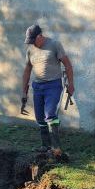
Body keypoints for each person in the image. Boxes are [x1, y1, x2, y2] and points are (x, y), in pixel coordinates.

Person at [21, 24, 75, 158]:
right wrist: (24, 90)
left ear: (40, 36)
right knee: (40, 117)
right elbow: (27, 70)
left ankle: (56, 148)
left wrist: (71, 84)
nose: (32, 44)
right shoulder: (30, 50)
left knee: (50, 114)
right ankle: (45, 146)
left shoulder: (54, 45)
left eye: (33, 40)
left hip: (53, 85)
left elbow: (67, 64)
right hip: (38, 87)